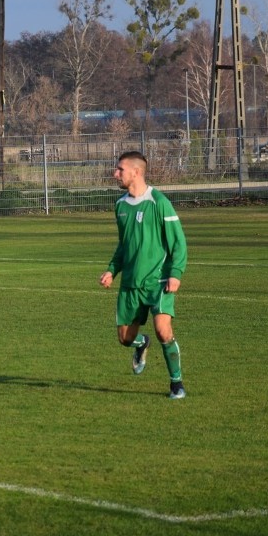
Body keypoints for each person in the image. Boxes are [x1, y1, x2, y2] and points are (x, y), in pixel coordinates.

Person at [99, 151, 188, 399]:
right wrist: (112, 270)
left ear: (136, 172)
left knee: (164, 330)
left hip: (158, 281)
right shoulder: (120, 206)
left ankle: (176, 384)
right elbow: (123, 245)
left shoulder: (159, 202)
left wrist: (175, 274)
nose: (115, 174)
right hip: (130, 284)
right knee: (125, 339)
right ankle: (141, 343)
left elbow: (178, 243)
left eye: (120, 169)